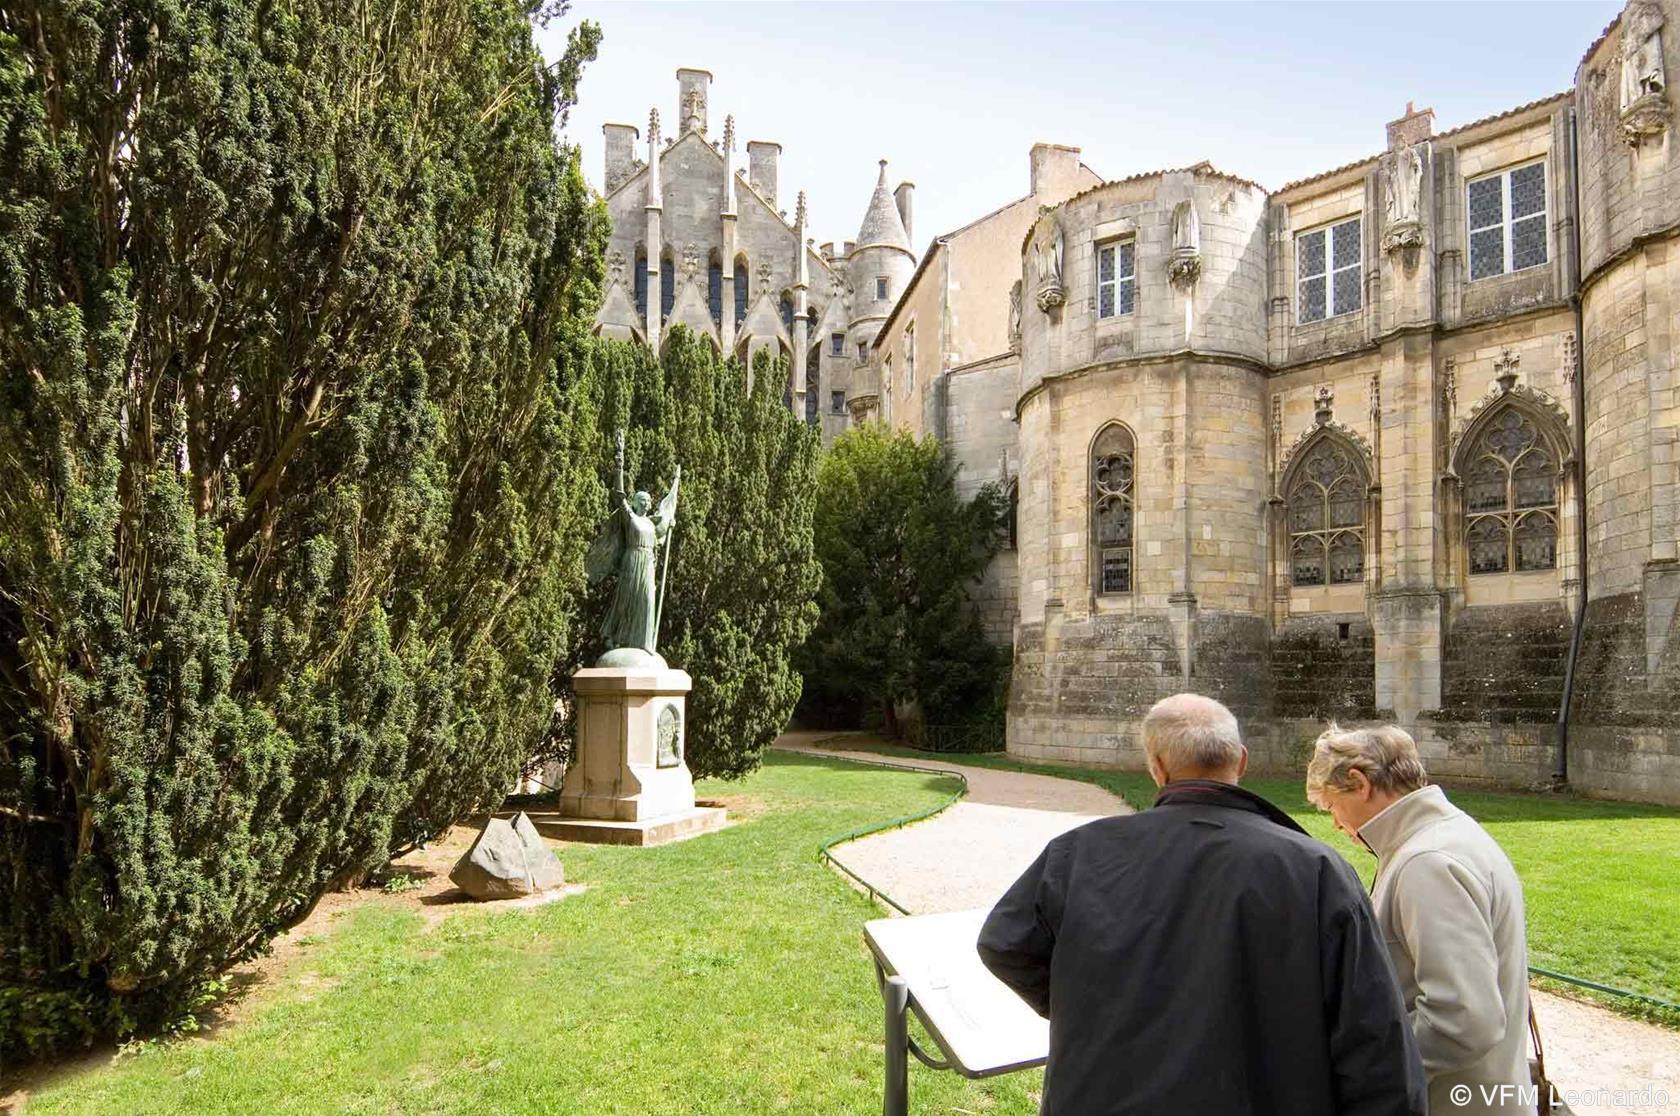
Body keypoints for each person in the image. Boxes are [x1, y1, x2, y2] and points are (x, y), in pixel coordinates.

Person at [978, 694, 1425, 1116]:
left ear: (1156, 768)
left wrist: (1091, 1003)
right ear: (1242, 761)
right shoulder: (1316, 869)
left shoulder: (1077, 854)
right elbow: (1374, 1040)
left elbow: (1004, 943)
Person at [1306, 725, 1532, 1116]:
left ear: (1359, 783)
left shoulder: (1426, 861)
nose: (1336, 824)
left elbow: (1465, 1019)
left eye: (1331, 806)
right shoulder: (1445, 835)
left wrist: (1369, 1072)